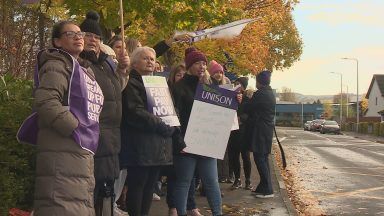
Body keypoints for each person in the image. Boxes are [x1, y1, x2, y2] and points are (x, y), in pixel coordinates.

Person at [32, 21, 98, 215]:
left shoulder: (83, 69)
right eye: (71, 34)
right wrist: (75, 127)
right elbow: (45, 101)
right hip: (63, 146)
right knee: (62, 205)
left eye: (80, 33)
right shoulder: (56, 65)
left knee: (76, 203)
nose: (79, 37)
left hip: (78, 149)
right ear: (57, 42)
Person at [79, 11, 130, 216]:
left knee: (103, 191)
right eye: (89, 35)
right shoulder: (77, 62)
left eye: (97, 37)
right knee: (87, 191)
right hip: (91, 137)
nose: (93, 40)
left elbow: (116, 91)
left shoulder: (105, 64)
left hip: (110, 137)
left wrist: (122, 71)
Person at [120, 46, 174, 216]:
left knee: (150, 187)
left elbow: (169, 109)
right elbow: (135, 111)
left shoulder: (158, 84)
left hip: (158, 144)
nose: (150, 61)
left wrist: (173, 123)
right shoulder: (131, 83)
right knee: (138, 185)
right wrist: (161, 125)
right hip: (140, 143)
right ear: (134, 62)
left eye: (152, 58)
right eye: (145, 58)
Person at [172, 47, 222, 216]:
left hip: (206, 142)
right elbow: (174, 116)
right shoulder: (178, 88)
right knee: (184, 182)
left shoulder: (210, 87)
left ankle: (217, 213)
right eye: (198, 63)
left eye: (204, 63)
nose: (202, 66)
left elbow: (223, 108)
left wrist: (237, 99)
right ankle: (181, 212)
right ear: (189, 65)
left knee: (212, 182)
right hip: (185, 144)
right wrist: (179, 141)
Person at [243, 70, 276, 198]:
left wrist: (242, 101)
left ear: (259, 82)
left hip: (261, 131)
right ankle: (263, 187)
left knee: (260, 158)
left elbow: (248, 107)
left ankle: (267, 189)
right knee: (263, 158)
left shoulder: (261, 94)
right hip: (265, 130)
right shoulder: (269, 93)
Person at [228, 77, 253, 190]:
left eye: (239, 84)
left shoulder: (247, 99)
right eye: (235, 83)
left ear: (243, 87)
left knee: (245, 157)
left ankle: (248, 180)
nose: (237, 86)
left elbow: (250, 113)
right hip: (233, 132)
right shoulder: (230, 97)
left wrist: (241, 118)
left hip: (244, 133)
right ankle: (237, 179)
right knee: (234, 157)